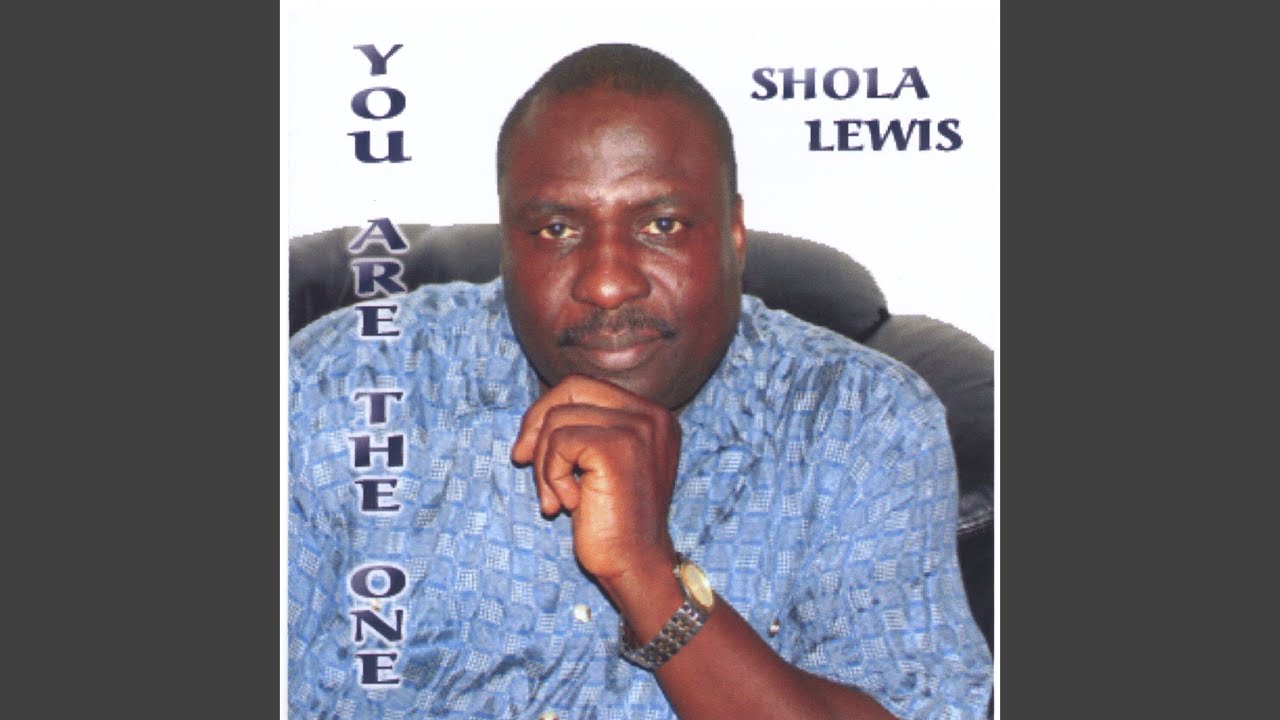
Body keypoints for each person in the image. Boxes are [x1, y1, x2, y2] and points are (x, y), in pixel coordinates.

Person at [288, 43, 992, 719]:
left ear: (734, 234)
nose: (606, 284)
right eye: (557, 230)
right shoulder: (346, 385)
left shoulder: (859, 421)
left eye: (662, 224)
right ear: (506, 246)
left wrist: (649, 577)